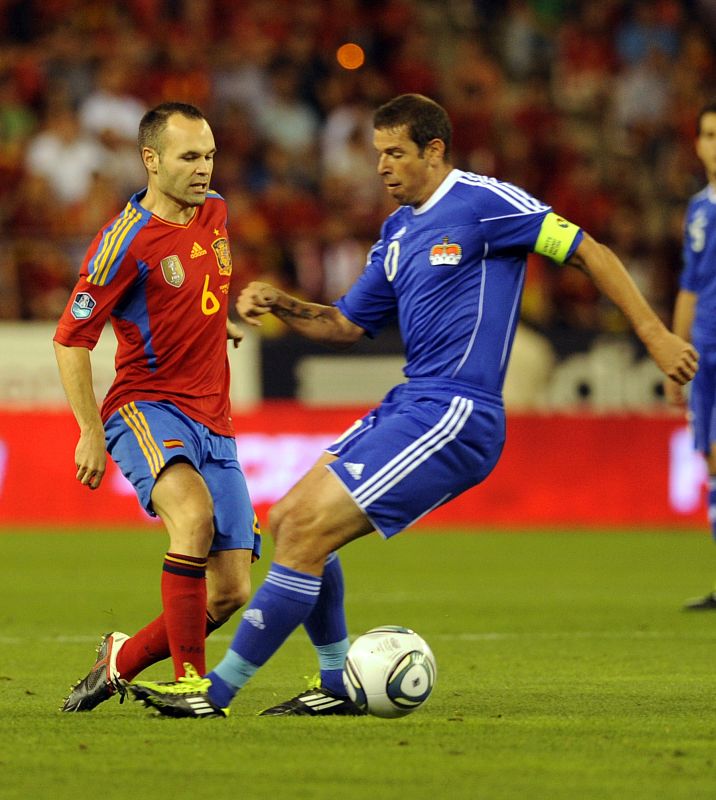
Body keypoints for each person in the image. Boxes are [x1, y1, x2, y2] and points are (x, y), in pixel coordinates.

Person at [128, 93, 697, 718]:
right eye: (377, 154)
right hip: (410, 402)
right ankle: (336, 680)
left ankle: (217, 691)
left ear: (434, 151)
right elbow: (347, 324)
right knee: (292, 521)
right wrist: (281, 303)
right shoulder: (398, 233)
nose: (382, 167)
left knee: (304, 532)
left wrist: (654, 334)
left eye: (395, 153)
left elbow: (589, 250)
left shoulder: (485, 203)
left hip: (457, 412)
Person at [53, 102, 261, 712]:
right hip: (146, 407)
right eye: (189, 157)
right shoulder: (123, 242)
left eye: (210, 155)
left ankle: (119, 661)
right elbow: (70, 339)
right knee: (191, 517)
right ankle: (193, 685)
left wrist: (213, 321)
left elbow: (192, 286)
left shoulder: (216, 211)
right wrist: (88, 431)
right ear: (151, 161)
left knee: (229, 593)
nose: (204, 170)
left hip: (214, 421)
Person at [665, 101, 716, 610]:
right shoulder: (700, 207)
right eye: (706, 134)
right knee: (710, 458)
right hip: (704, 351)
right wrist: (674, 354)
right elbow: (689, 285)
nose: (712, 144)